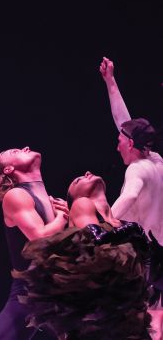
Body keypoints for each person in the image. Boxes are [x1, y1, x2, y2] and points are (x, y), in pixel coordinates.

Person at [12, 171, 155, 338]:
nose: (87, 173)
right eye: (78, 180)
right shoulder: (82, 204)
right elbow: (98, 244)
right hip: (102, 316)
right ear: (74, 198)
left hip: (126, 314)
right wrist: (134, 230)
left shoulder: (121, 224)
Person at [0, 147, 70, 340]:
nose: (26, 147)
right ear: (8, 169)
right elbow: (40, 238)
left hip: (56, 286)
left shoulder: (43, 196)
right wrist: (62, 217)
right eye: (16, 151)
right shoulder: (16, 195)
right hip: (31, 290)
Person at [100, 57, 163, 337]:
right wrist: (111, 82)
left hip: (152, 255)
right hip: (159, 248)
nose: (117, 146)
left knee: (149, 320)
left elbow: (128, 197)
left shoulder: (137, 170)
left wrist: (102, 225)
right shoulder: (156, 160)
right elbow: (123, 122)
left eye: (119, 141)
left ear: (130, 145)